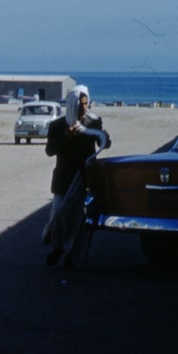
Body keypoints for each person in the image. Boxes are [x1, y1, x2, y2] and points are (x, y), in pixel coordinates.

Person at [42, 85, 109, 267]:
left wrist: (105, 138)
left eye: (86, 104)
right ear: (72, 104)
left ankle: (72, 258)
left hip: (84, 178)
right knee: (59, 216)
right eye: (80, 105)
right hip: (64, 180)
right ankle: (58, 248)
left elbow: (104, 143)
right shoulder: (57, 125)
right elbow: (50, 150)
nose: (84, 108)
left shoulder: (93, 123)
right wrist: (67, 137)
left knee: (80, 221)